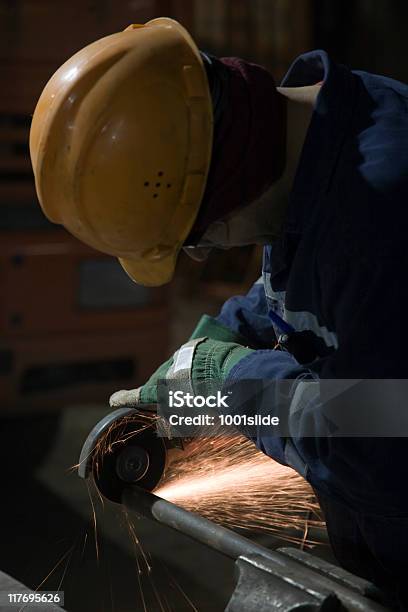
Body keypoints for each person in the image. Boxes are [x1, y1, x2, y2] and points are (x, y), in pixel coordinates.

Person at [30, 18, 408, 609]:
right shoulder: (310, 142)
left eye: (193, 238)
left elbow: (378, 436)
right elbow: (305, 291)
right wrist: (212, 352)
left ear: (214, 183)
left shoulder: (381, 211)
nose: (203, 253)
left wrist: (232, 383)